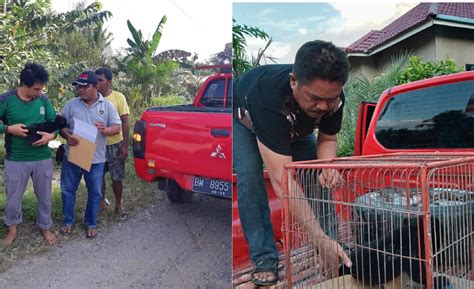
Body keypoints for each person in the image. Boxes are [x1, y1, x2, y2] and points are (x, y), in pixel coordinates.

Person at [233, 40, 352, 285]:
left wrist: (327, 166)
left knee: (315, 174)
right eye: (315, 98)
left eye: (330, 99)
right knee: (250, 178)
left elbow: (327, 138)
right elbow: (281, 180)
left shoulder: (333, 98)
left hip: (294, 122)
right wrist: (315, 237)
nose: (323, 106)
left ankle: (331, 244)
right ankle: (264, 256)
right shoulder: (265, 95)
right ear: (293, 81)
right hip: (245, 118)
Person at [59, 71, 121, 239]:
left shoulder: (107, 106)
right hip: (73, 156)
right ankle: (68, 221)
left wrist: (105, 130)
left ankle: (91, 222)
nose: (81, 89)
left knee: (95, 192)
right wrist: (67, 136)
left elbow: (117, 127)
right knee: (67, 190)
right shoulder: (72, 104)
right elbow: (60, 123)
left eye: (84, 86)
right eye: (79, 86)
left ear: (95, 87)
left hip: (96, 159)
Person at [0, 63, 57, 245]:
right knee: (13, 198)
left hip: (42, 158)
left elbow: (54, 122)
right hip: (16, 158)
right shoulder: (6, 100)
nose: (40, 92)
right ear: (24, 84)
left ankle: (45, 226)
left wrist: (51, 136)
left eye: (41, 89)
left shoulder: (44, 100)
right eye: (36, 89)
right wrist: (9, 129)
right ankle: (12, 229)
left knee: (45, 196)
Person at [95, 68, 130, 220]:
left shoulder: (118, 97)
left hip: (115, 143)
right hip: (97, 144)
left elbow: (126, 122)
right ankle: (101, 201)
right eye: (95, 80)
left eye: (100, 80)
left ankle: (118, 203)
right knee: (98, 175)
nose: (97, 83)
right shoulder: (92, 98)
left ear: (109, 82)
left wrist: (124, 145)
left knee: (117, 177)